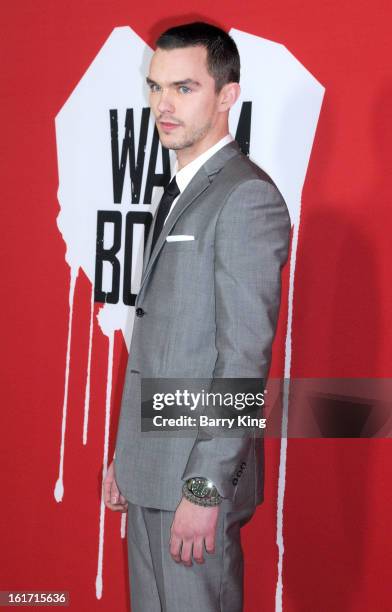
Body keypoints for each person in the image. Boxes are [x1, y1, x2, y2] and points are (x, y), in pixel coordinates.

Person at [103, 21, 291, 612]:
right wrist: (128, 457)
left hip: (194, 479)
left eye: (183, 88)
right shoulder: (185, 190)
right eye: (156, 87)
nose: (163, 104)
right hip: (155, 469)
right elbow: (165, 343)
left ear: (227, 94)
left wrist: (204, 488)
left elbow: (242, 362)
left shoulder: (244, 197)